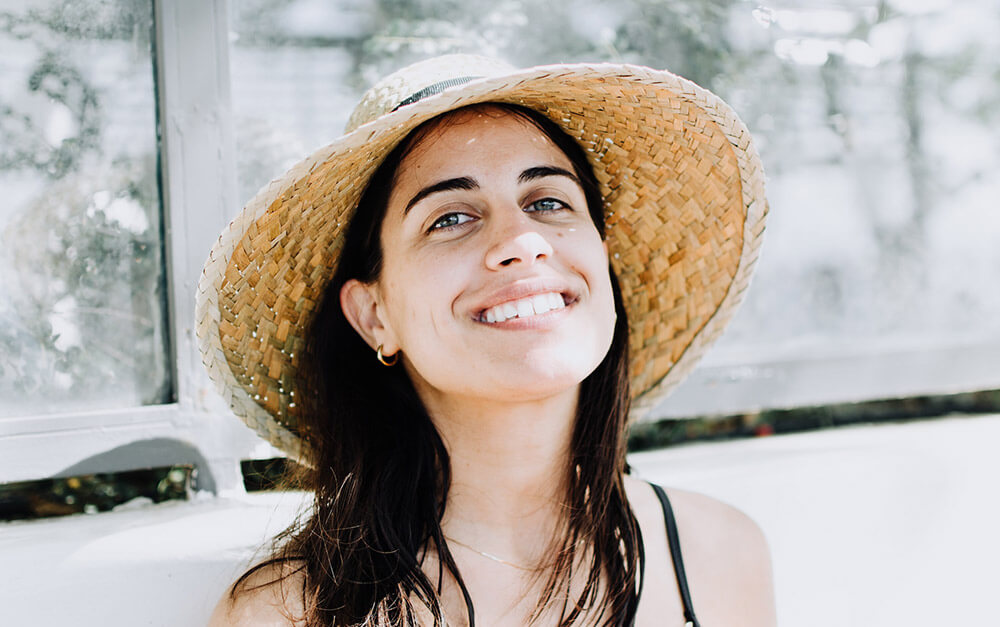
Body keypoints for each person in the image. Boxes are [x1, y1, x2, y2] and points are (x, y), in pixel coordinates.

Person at [197, 55, 775, 626]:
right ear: (375, 316)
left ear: (603, 264)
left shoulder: (720, 556)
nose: (523, 243)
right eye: (450, 218)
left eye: (548, 202)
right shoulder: (288, 614)